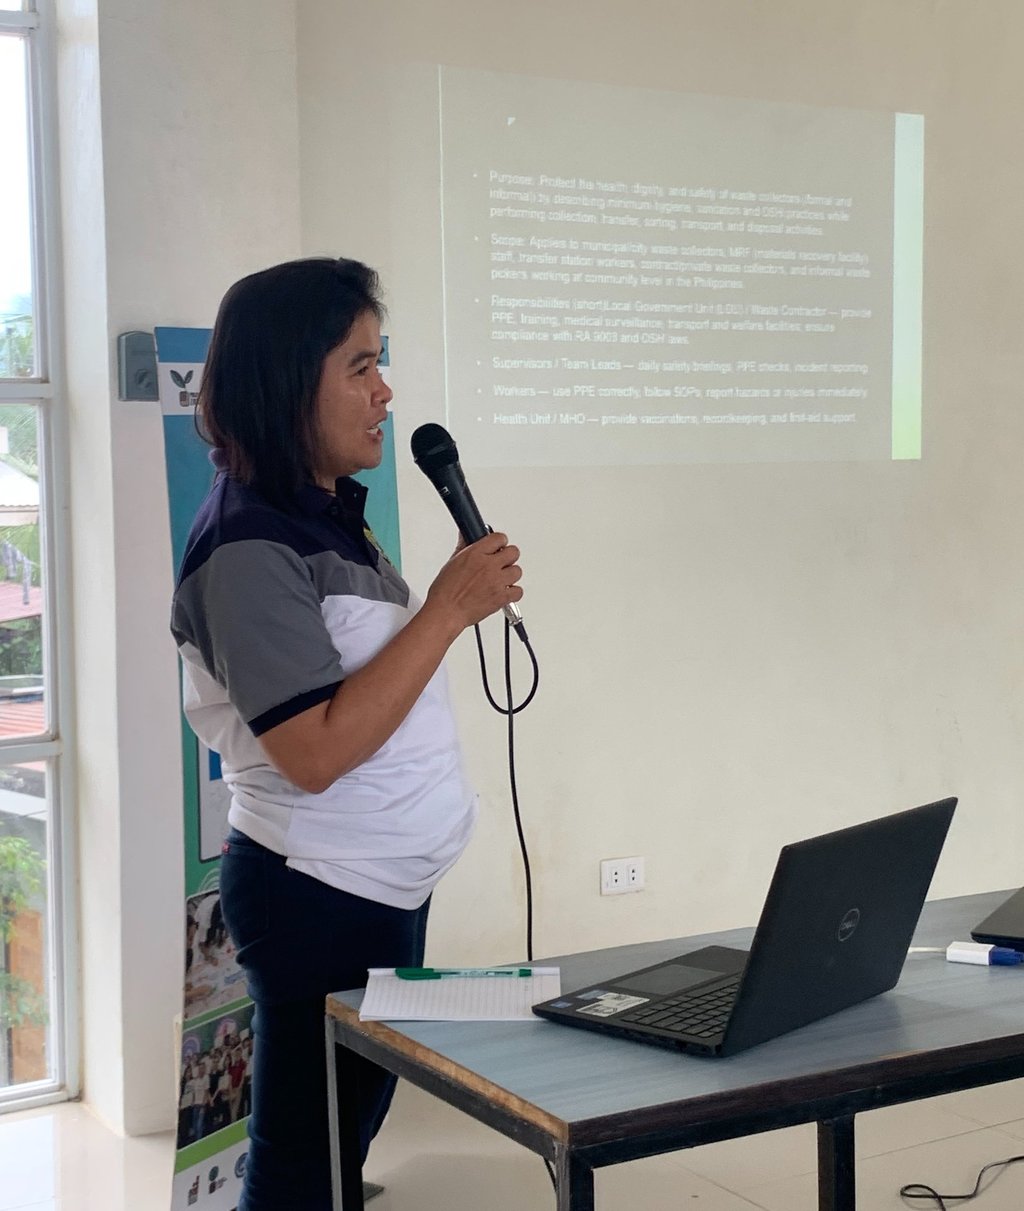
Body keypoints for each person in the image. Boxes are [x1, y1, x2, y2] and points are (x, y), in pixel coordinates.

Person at [170, 257, 523, 1210]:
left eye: (381, 363)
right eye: (361, 366)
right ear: (290, 381)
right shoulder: (247, 546)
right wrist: (446, 609)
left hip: (373, 886)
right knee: (301, 1172)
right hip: (316, 894)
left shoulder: (322, 514)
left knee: (337, 1154)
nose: (385, 392)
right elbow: (315, 751)